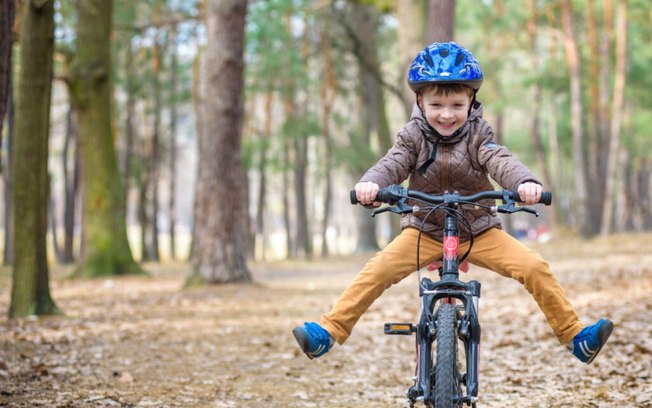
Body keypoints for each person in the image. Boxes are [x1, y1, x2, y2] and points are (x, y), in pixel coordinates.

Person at [292, 42, 613, 365]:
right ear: (420, 101)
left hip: (478, 230)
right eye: (437, 105)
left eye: (457, 104)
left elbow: (500, 160)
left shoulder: (478, 134)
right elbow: (393, 163)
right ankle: (328, 332)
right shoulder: (412, 137)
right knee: (377, 271)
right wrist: (371, 184)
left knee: (533, 266)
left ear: (471, 101)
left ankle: (574, 336)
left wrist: (525, 183)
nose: (447, 114)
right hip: (425, 230)